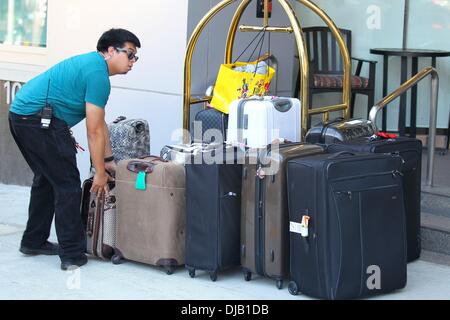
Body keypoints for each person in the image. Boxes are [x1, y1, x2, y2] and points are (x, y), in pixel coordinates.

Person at [8, 28, 141, 270]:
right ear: (111, 51)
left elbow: (99, 122)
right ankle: (72, 254)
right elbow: (93, 131)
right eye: (130, 54)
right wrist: (99, 173)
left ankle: (33, 240)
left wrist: (108, 158)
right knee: (67, 184)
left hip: (21, 115)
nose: (133, 62)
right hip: (39, 122)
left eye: (136, 57)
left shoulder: (92, 66)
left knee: (47, 178)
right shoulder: (97, 75)